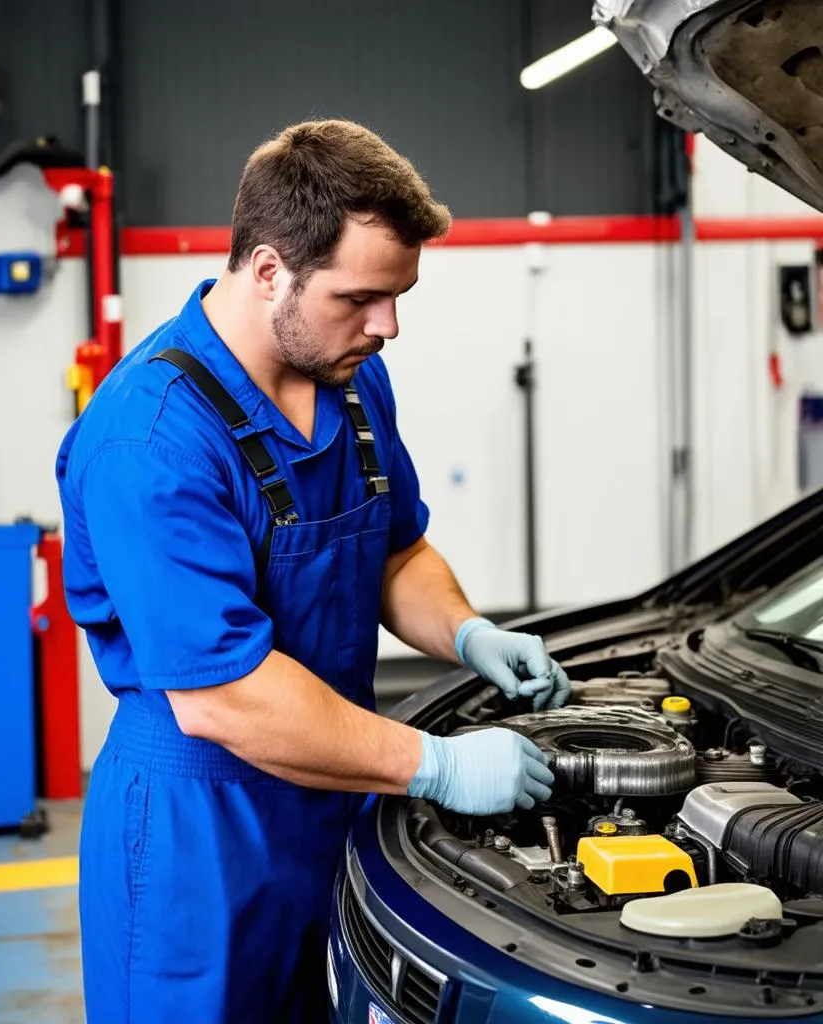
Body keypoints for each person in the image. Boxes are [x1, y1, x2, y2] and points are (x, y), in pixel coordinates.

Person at [55, 118, 571, 1024]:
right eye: (362, 297)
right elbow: (222, 695)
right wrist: (435, 765)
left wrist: (465, 631)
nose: (390, 326)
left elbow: (396, 549)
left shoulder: (352, 380)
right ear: (268, 270)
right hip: (199, 840)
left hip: (334, 803)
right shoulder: (150, 441)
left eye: (400, 296)